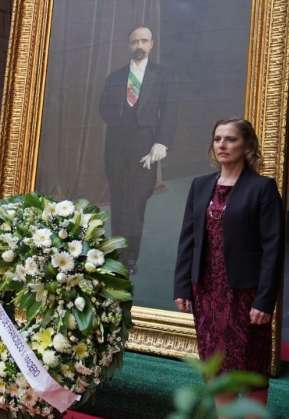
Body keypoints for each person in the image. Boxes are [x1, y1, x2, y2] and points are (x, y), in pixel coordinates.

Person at [174, 118, 283, 411]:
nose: (222, 144)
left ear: (247, 145)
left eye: (231, 139)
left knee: (249, 367)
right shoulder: (200, 186)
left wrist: (265, 300)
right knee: (216, 366)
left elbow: (273, 248)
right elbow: (188, 240)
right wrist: (183, 287)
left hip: (245, 295)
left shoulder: (262, 188)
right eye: (218, 138)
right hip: (206, 291)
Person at [99, 25, 176, 273]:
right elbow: (103, 108)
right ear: (128, 45)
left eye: (144, 41)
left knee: (136, 202)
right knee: (119, 200)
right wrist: (120, 119)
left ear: (151, 44)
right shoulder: (115, 77)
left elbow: (170, 112)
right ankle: (116, 252)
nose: (139, 46)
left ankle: (131, 257)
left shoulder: (162, 76)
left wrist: (161, 142)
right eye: (135, 42)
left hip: (146, 146)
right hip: (117, 148)